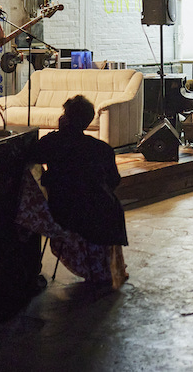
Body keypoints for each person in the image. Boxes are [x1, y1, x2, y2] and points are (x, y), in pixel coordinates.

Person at [27, 95, 128, 288]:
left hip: (67, 210)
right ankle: (102, 269)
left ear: (65, 119)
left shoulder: (53, 143)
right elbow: (114, 181)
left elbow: (31, 156)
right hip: (105, 211)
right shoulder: (102, 148)